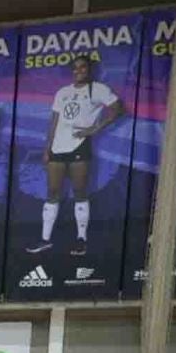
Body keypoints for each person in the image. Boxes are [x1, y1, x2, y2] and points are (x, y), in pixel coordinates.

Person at [29, 56, 125, 256]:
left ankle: (81, 239)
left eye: (82, 67)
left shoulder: (98, 89)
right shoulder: (63, 92)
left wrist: (95, 129)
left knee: (79, 191)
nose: (78, 70)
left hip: (79, 146)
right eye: (75, 68)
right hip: (57, 147)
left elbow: (118, 108)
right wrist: (47, 148)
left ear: (90, 69)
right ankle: (45, 239)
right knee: (52, 192)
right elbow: (54, 121)